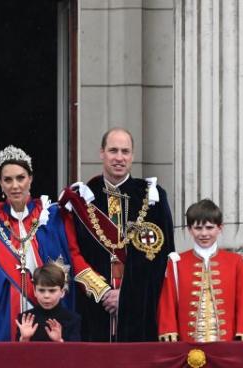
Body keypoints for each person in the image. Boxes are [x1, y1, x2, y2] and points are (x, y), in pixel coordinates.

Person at [0, 145, 109, 341]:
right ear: (0, 183)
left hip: (51, 311)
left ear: (30, 179)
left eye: (21, 178)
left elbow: (75, 257)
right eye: (8, 179)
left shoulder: (53, 216)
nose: (15, 186)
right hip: (4, 312)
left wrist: (103, 291)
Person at [59, 127, 175, 342]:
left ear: (132, 155)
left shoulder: (153, 197)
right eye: (113, 150)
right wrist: (102, 292)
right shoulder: (82, 199)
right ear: (101, 153)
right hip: (94, 308)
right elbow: (72, 253)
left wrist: (127, 295)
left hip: (139, 310)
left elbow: (162, 258)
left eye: (125, 151)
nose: (119, 158)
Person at [157, 199, 243, 342]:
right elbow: (168, 301)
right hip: (188, 343)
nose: (204, 233)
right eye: (198, 228)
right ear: (190, 229)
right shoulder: (176, 262)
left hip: (227, 342)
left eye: (209, 227)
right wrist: (168, 330)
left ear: (220, 228)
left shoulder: (235, 261)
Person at [16, 262, 82, 342]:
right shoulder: (25, 319)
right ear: (34, 291)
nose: (46, 296)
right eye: (41, 290)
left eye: (52, 291)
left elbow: (76, 353)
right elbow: (19, 354)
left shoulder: (72, 320)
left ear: (62, 292)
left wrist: (59, 341)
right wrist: (25, 338)